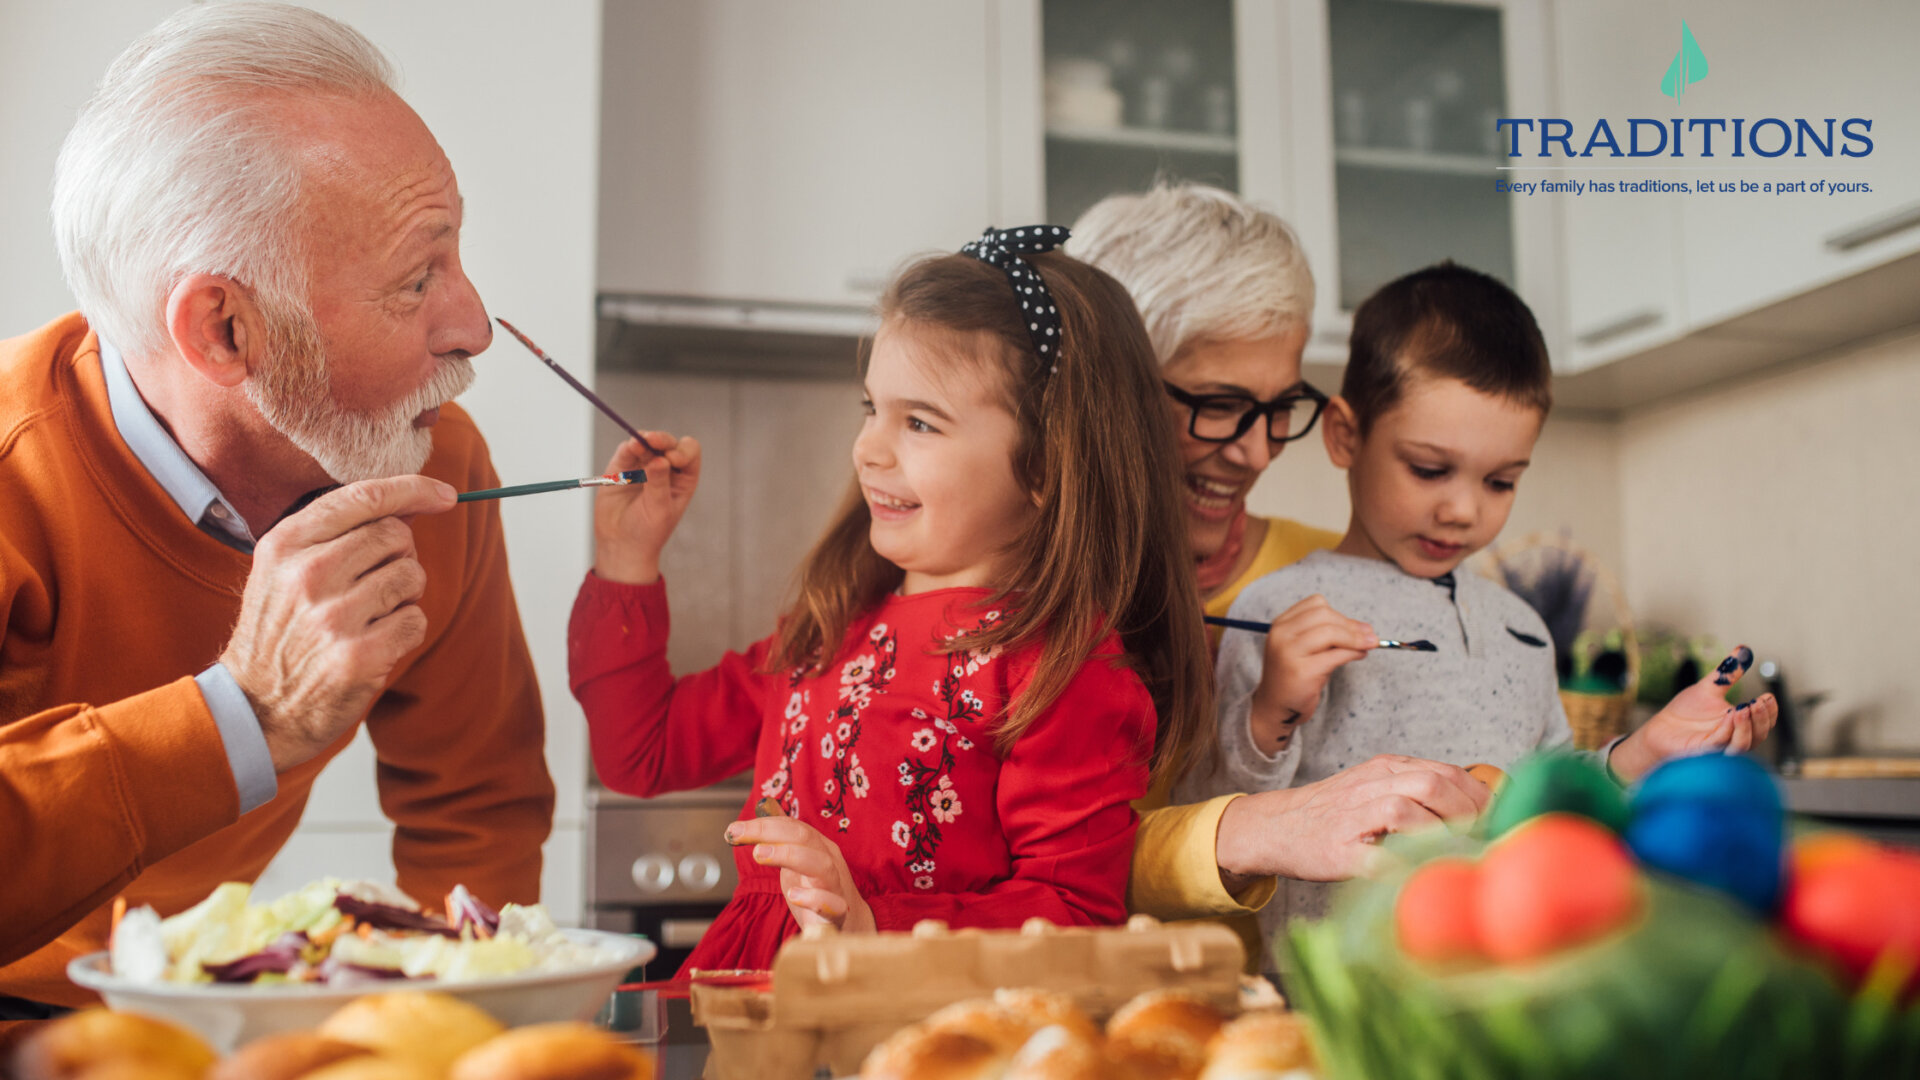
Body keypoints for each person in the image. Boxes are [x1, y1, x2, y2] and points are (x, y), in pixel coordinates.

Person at [0, 2, 553, 1017]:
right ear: (224, 328)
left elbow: (477, 811)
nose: (474, 325)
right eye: (416, 277)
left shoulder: (425, 457)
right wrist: (243, 717)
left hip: (202, 1017)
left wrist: (449, 1033)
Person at [569, 227, 1213, 973]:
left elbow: (1072, 916)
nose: (869, 448)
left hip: (902, 1030)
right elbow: (639, 752)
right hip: (750, 1012)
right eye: (870, 407)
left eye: (918, 422)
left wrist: (875, 927)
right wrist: (626, 558)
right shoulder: (826, 631)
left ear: (1045, 464)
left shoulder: (1065, 670)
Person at [1181, 262, 1778, 960]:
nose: (1463, 509)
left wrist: (1647, 750)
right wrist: (1271, 709)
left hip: (1509, 976)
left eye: (1500, 482)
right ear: (1345, 435)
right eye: (1429, 469)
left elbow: (1555, 793)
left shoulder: (1520, 628)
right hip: (1349, 990)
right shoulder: (1281, 609)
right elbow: (1220, 816)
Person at [1069, 184, 1490, 930]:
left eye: (1277, 409)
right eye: (1219, 404)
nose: (1257, 450)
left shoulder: (1330, 579)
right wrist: (1260, 828)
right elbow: (1040, 862)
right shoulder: (1024, 599)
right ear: (1109, 394)